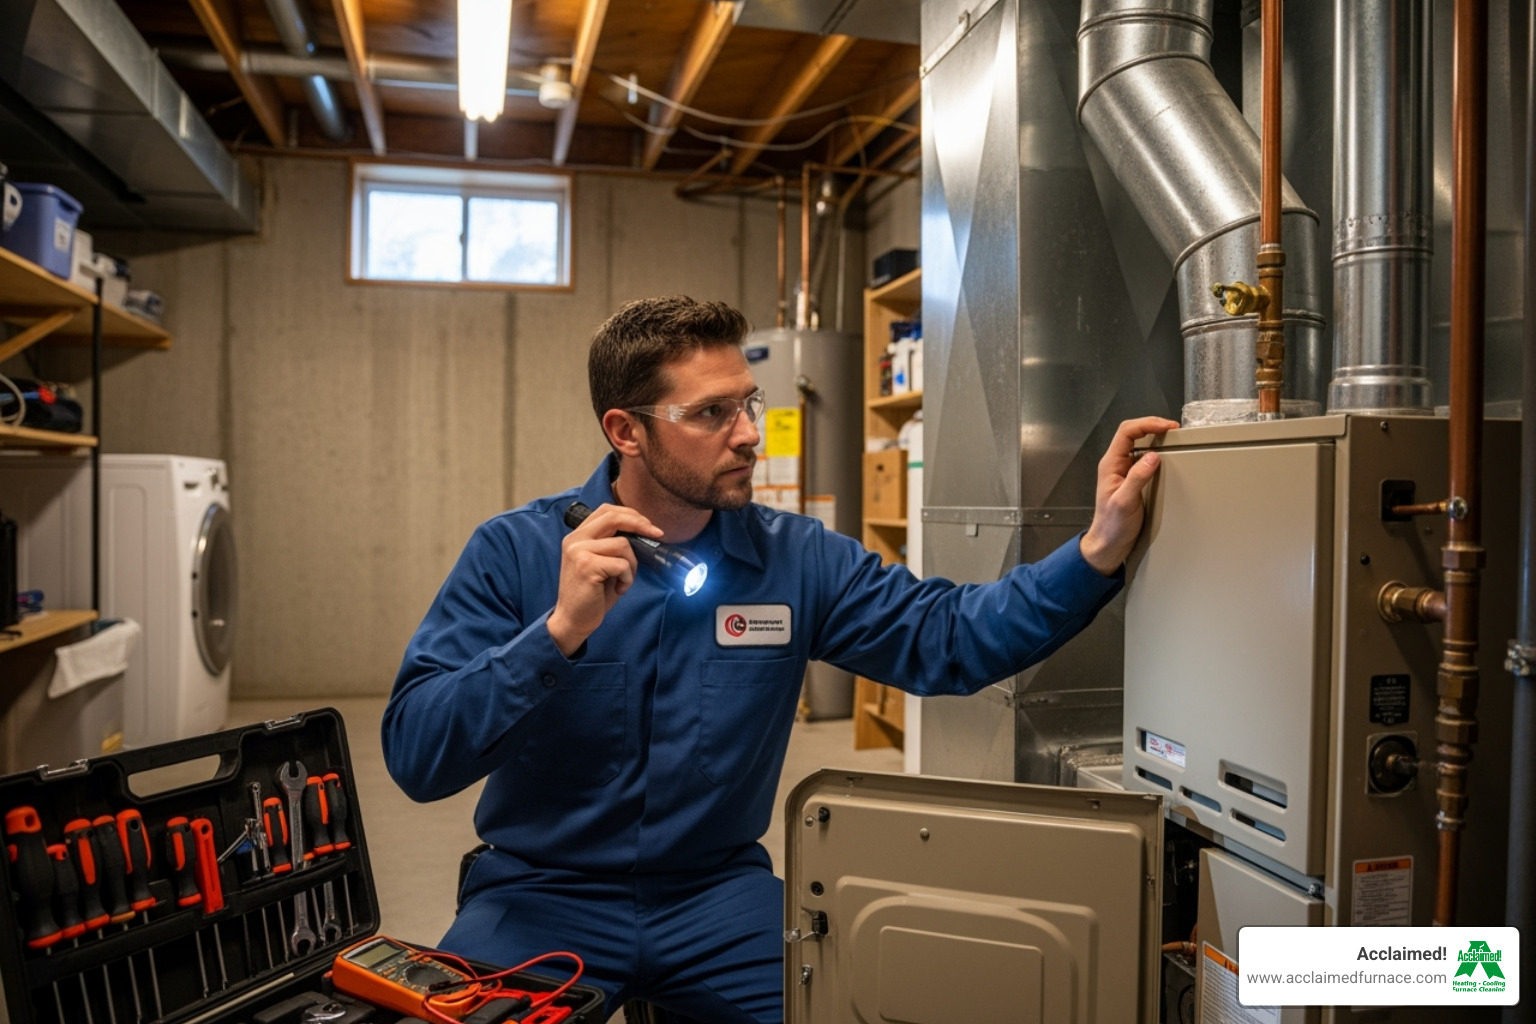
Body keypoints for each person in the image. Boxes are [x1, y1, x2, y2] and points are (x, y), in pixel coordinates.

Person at [383, 296, 1178, 1023]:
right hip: (539, 893)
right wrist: (556, 632)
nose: (750, 433)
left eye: (748, 403)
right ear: (625, 430)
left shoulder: (798, 561)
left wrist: (1097, 549)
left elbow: (951, 639)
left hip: (716, 898)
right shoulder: (516, 553)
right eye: (712, 413)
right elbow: (419, 754)